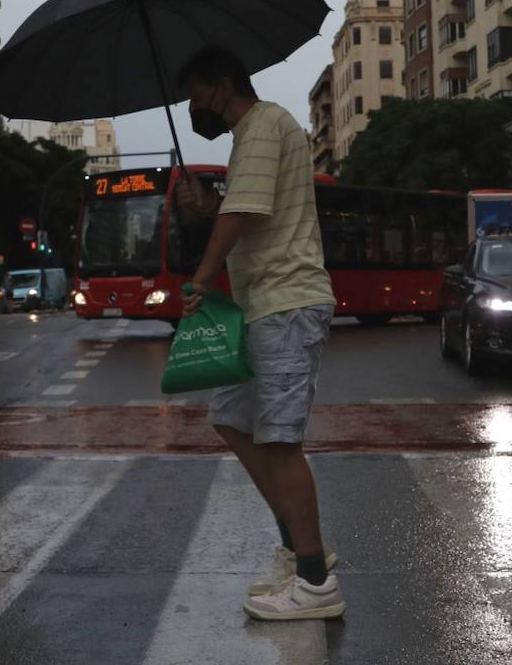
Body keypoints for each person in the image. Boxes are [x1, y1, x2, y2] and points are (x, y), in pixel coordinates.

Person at [174, 45, 344, 622]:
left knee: (277, 439)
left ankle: (316, 580)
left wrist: (200, 276)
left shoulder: (265, 124)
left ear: (222, 86)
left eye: (195, 92)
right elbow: (244, 209)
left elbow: (243, 215)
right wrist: (206, 206)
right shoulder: (252, 136)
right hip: (259, 304)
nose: (192, 105)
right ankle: (299, 551)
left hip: (286, 301)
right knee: (231, 418)